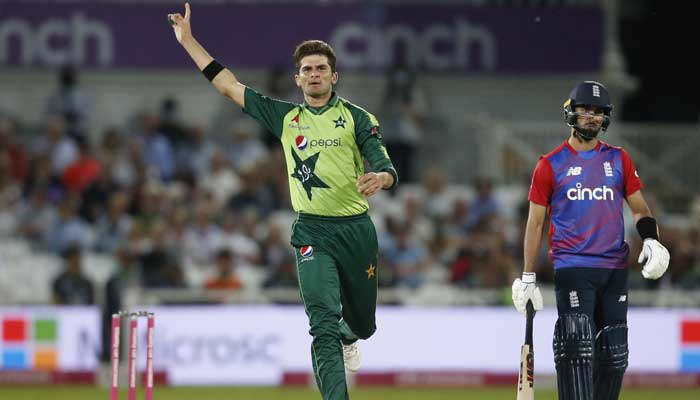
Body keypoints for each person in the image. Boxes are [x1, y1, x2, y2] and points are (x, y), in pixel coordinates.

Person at [167, 4, 397, 400]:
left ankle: (351, 335)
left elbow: (382, 160)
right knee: (322, 324)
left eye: (321, 69)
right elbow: (228, 85)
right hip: (311, 230)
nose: (314, 75)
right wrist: (189, 41)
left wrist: (383, 177)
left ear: (333, 76)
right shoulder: (286, 118)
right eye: (307, 69)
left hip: (356, 230)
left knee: (363, 323)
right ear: (297, 79)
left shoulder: (358, 118)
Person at [511, 81, 670, 400]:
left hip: (614, 267)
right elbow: (536, 223)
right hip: (573, 267)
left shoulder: (618, 159)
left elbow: (640, 208)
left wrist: (651, 240)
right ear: (571, 113)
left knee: (614, 351)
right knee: (576, 346)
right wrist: (528, 276)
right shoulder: (550, 164)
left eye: (598, 112)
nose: (592, 117)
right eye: (585, 110)